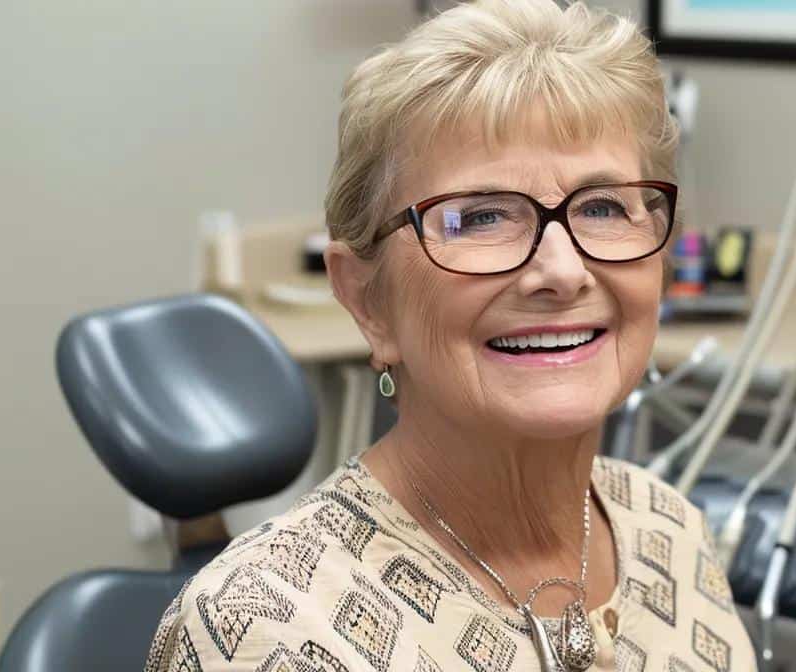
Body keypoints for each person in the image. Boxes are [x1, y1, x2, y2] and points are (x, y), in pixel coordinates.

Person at [145, 1, 755, 670]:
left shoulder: (670, 531)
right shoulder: (269, 626)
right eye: (482, 217)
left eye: (604, 207)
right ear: (367, 299)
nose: (561, 270)